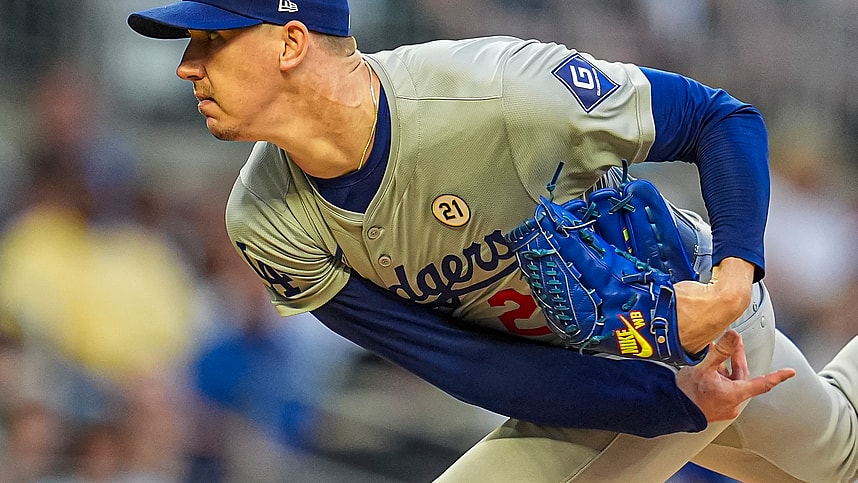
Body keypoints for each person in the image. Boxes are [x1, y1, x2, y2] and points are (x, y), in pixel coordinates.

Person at [126, 1, 858, 481]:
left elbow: (718, 119)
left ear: (291, 41)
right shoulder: (265, 219)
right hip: (593, 380)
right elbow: (457, 359)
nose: (188, 64)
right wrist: (663, 401)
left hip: (694, 326)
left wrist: (734, 279)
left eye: (211, 38)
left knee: (838, 455)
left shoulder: (496, 95)